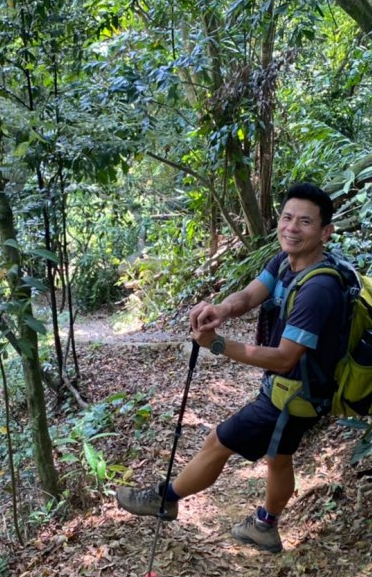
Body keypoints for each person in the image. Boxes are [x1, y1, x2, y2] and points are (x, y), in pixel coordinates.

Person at [116, 182, 346, 553]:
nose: (291, 228)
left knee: (219, 440)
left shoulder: (318, 290)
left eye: (305, 222)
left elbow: (286, 357)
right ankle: (264, 526)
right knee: (278, 456)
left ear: (325, 232)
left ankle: (165, 499)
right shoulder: (288, 262)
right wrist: (220, 310)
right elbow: (252, 294)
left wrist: (220, 346)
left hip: (294, 393)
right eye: (287, 218)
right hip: (300, 388)